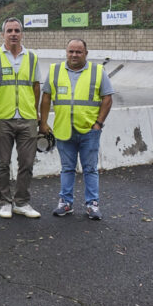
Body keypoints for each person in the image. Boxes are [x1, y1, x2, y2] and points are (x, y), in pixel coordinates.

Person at [39, 38, 115, 220]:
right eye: (71, 51)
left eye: (78, 52)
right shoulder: (55, 70)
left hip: (89, 130)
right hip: (64, 130)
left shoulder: (97, 71)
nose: (74, 55)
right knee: (67, 168)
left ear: (86, 53)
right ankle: (65, 203)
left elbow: (107, 98)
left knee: (90, 169)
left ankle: (92, 204)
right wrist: (43, 123)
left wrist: (98, 123)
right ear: (66, 52)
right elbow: (46, 98)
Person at [0, 17, 44, 220]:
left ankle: (21, 202)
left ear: (22, 34)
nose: (13, 34)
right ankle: (5, 202)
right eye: (9, 31)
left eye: (16, 30)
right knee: (2, 163)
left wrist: (35, 112)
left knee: (27, 162)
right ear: (2, 34)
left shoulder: (32, 57)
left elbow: (36, 86)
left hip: (27, 118)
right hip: (2, 117)